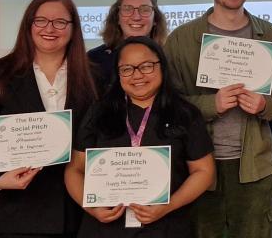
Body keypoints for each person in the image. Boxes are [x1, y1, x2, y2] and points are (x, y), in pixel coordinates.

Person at [163, 0, 272, 238]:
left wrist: (263, 105)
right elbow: (166, 104)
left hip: (254, 169)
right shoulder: (182, 39)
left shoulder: (268, 34)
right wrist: (211, 104)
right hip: (199, 168)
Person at [0, 0, 101, 237]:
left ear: (73, 28)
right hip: (13, 214)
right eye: (41, 21)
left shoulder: (96, 78)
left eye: (60, 22)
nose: (50, 28)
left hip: (76, 215)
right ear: (29, 25)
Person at [64, 36, 215, 237]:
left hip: (166, 226)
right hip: (104, 229)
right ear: (118, 74)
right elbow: (75, 169)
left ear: (162, 66)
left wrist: (168, 206)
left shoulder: (185, 113)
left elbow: (204, 171)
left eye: (146, 66)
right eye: (127, 69)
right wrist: (91, 208)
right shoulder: (99, 112)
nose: (137, 75)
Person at [89, 0, 169, 78]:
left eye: (144, 10)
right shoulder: (93, 60)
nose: (136, 17)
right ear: (117, 18)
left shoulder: (170, 57)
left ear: (155, 19)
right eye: (127, 9)